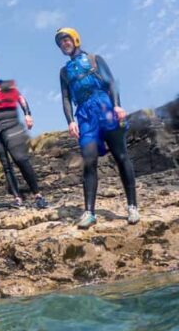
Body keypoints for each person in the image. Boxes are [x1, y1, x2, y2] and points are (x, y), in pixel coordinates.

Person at [55, 27, 138, 228]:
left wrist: (117, 105)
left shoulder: (94, 58)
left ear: (75, 39)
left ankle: (132, 206)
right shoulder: (64, 72)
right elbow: (66, 98)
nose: (64, 44)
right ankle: (89, 212)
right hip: (84, 115)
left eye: (66, 40)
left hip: (104, 107)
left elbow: (111, 83)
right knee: (89, 161)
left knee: (121, 156)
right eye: (60, 43)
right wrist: (70, 121)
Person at [0, 64, 47, 208]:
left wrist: (27, 114)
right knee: (6, 166)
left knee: (21, 159)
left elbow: (20, 98)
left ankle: (38, 195)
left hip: (9, 126)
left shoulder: (3, 85)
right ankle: (17, 198)